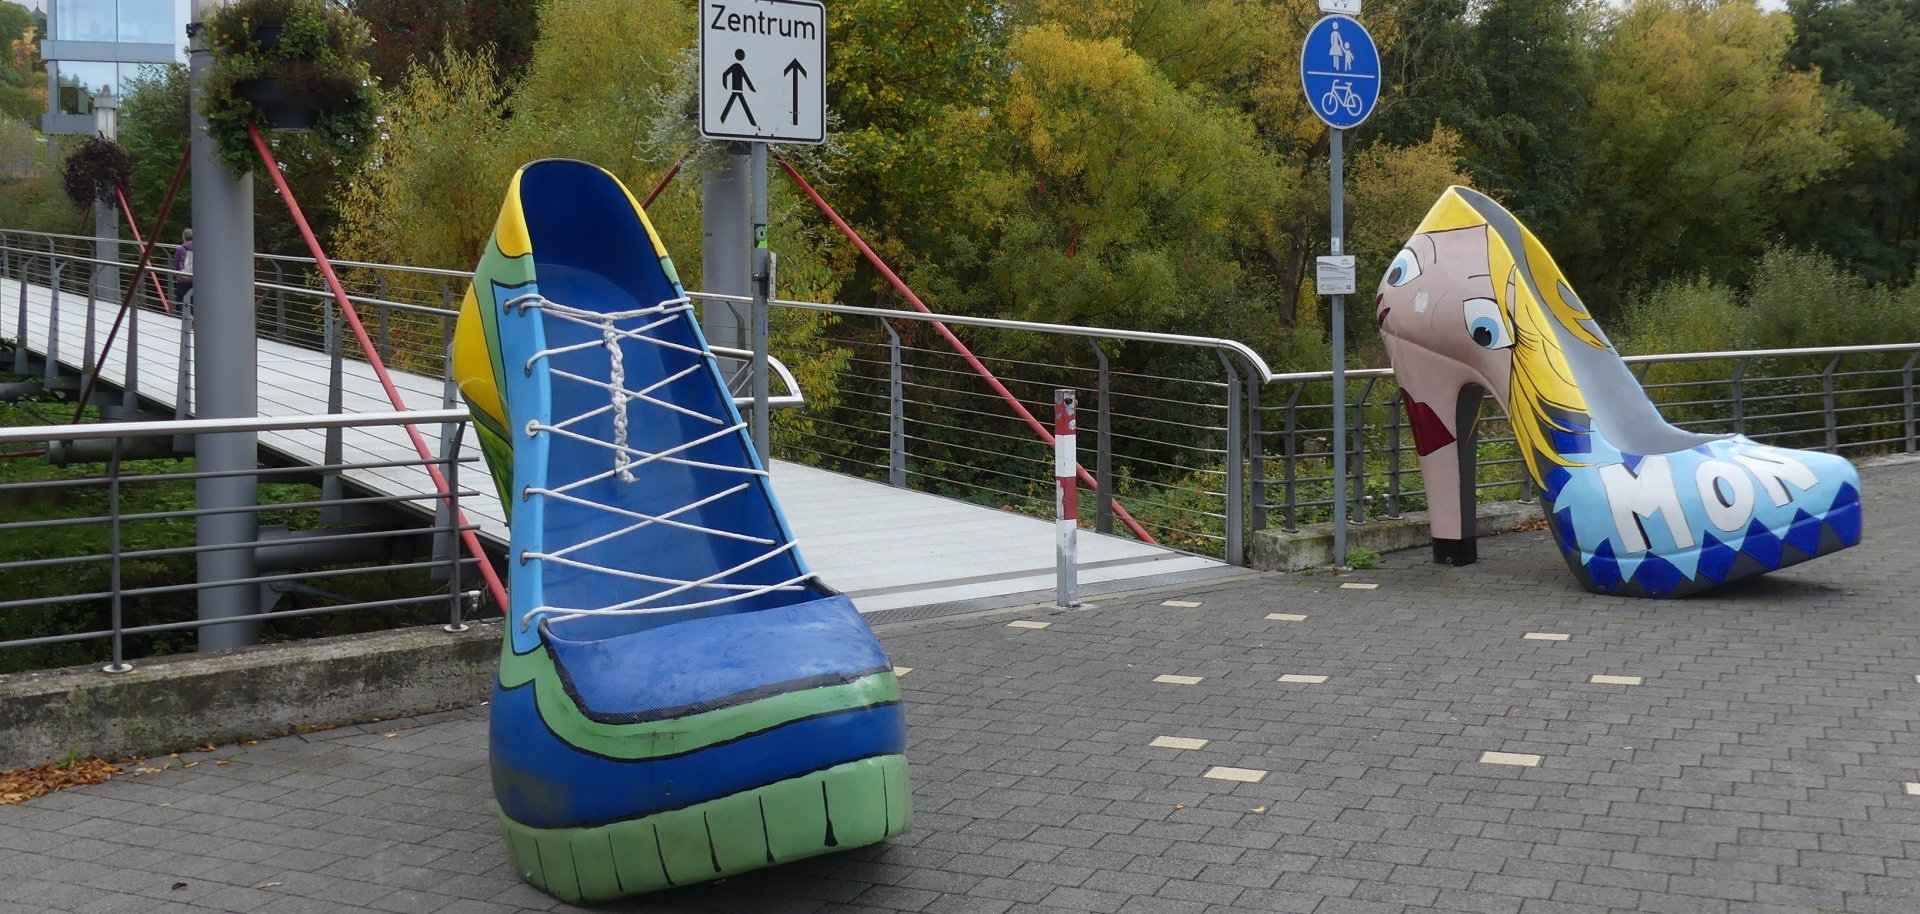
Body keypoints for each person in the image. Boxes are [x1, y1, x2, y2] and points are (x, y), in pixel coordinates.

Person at [172, 229, 193, 302]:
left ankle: (183, 312)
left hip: (183, 277)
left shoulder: (180, 248)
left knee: (182, 298)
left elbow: (176, 263)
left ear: (184, 237)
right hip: (196, 277)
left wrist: (176, 273)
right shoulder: (200, 247)